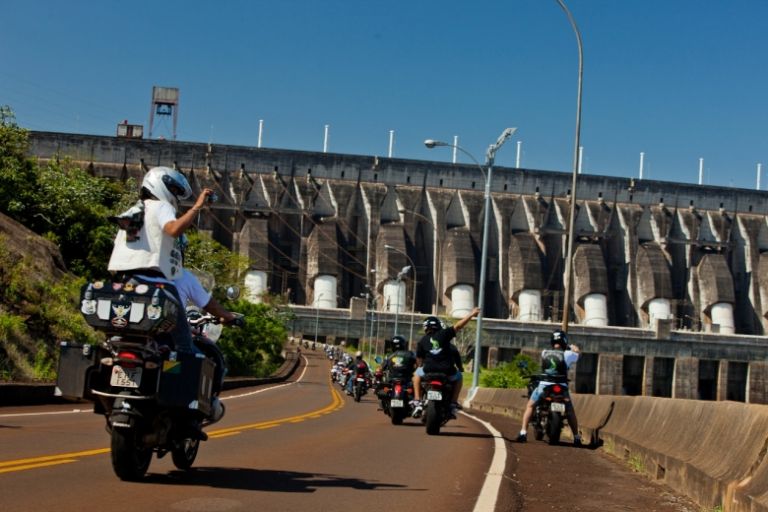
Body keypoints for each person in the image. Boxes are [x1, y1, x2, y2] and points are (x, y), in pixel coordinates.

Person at [108, 166, 215, 354]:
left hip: (127, 282)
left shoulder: (134, 211)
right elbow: (173, 229)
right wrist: (197, 207)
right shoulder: (161, 206)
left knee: (127, 331)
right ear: (158, 184)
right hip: (157, 285)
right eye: (173, 190)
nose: (175, 197)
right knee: (185, 346)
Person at [517, 329, 582, 446]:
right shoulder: (568, 354)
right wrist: (574, 348)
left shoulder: (544, 352)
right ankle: (576, 437)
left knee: (530, 405)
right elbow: (578, 355)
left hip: (544, 385)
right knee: (570, 411)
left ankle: (523, 433)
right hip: (561, 386)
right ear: (564, 341)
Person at [411, 308, 480, 418]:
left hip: (428, 371)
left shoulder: (422, 341)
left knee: (416, 375)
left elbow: (419, 360)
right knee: (459, 376)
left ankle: (417, 400)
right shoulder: (444, 334)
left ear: (425, 327)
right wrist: (471, 315)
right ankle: (453, 402)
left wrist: (420, 367)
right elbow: (458, 326)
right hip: (446, 371)